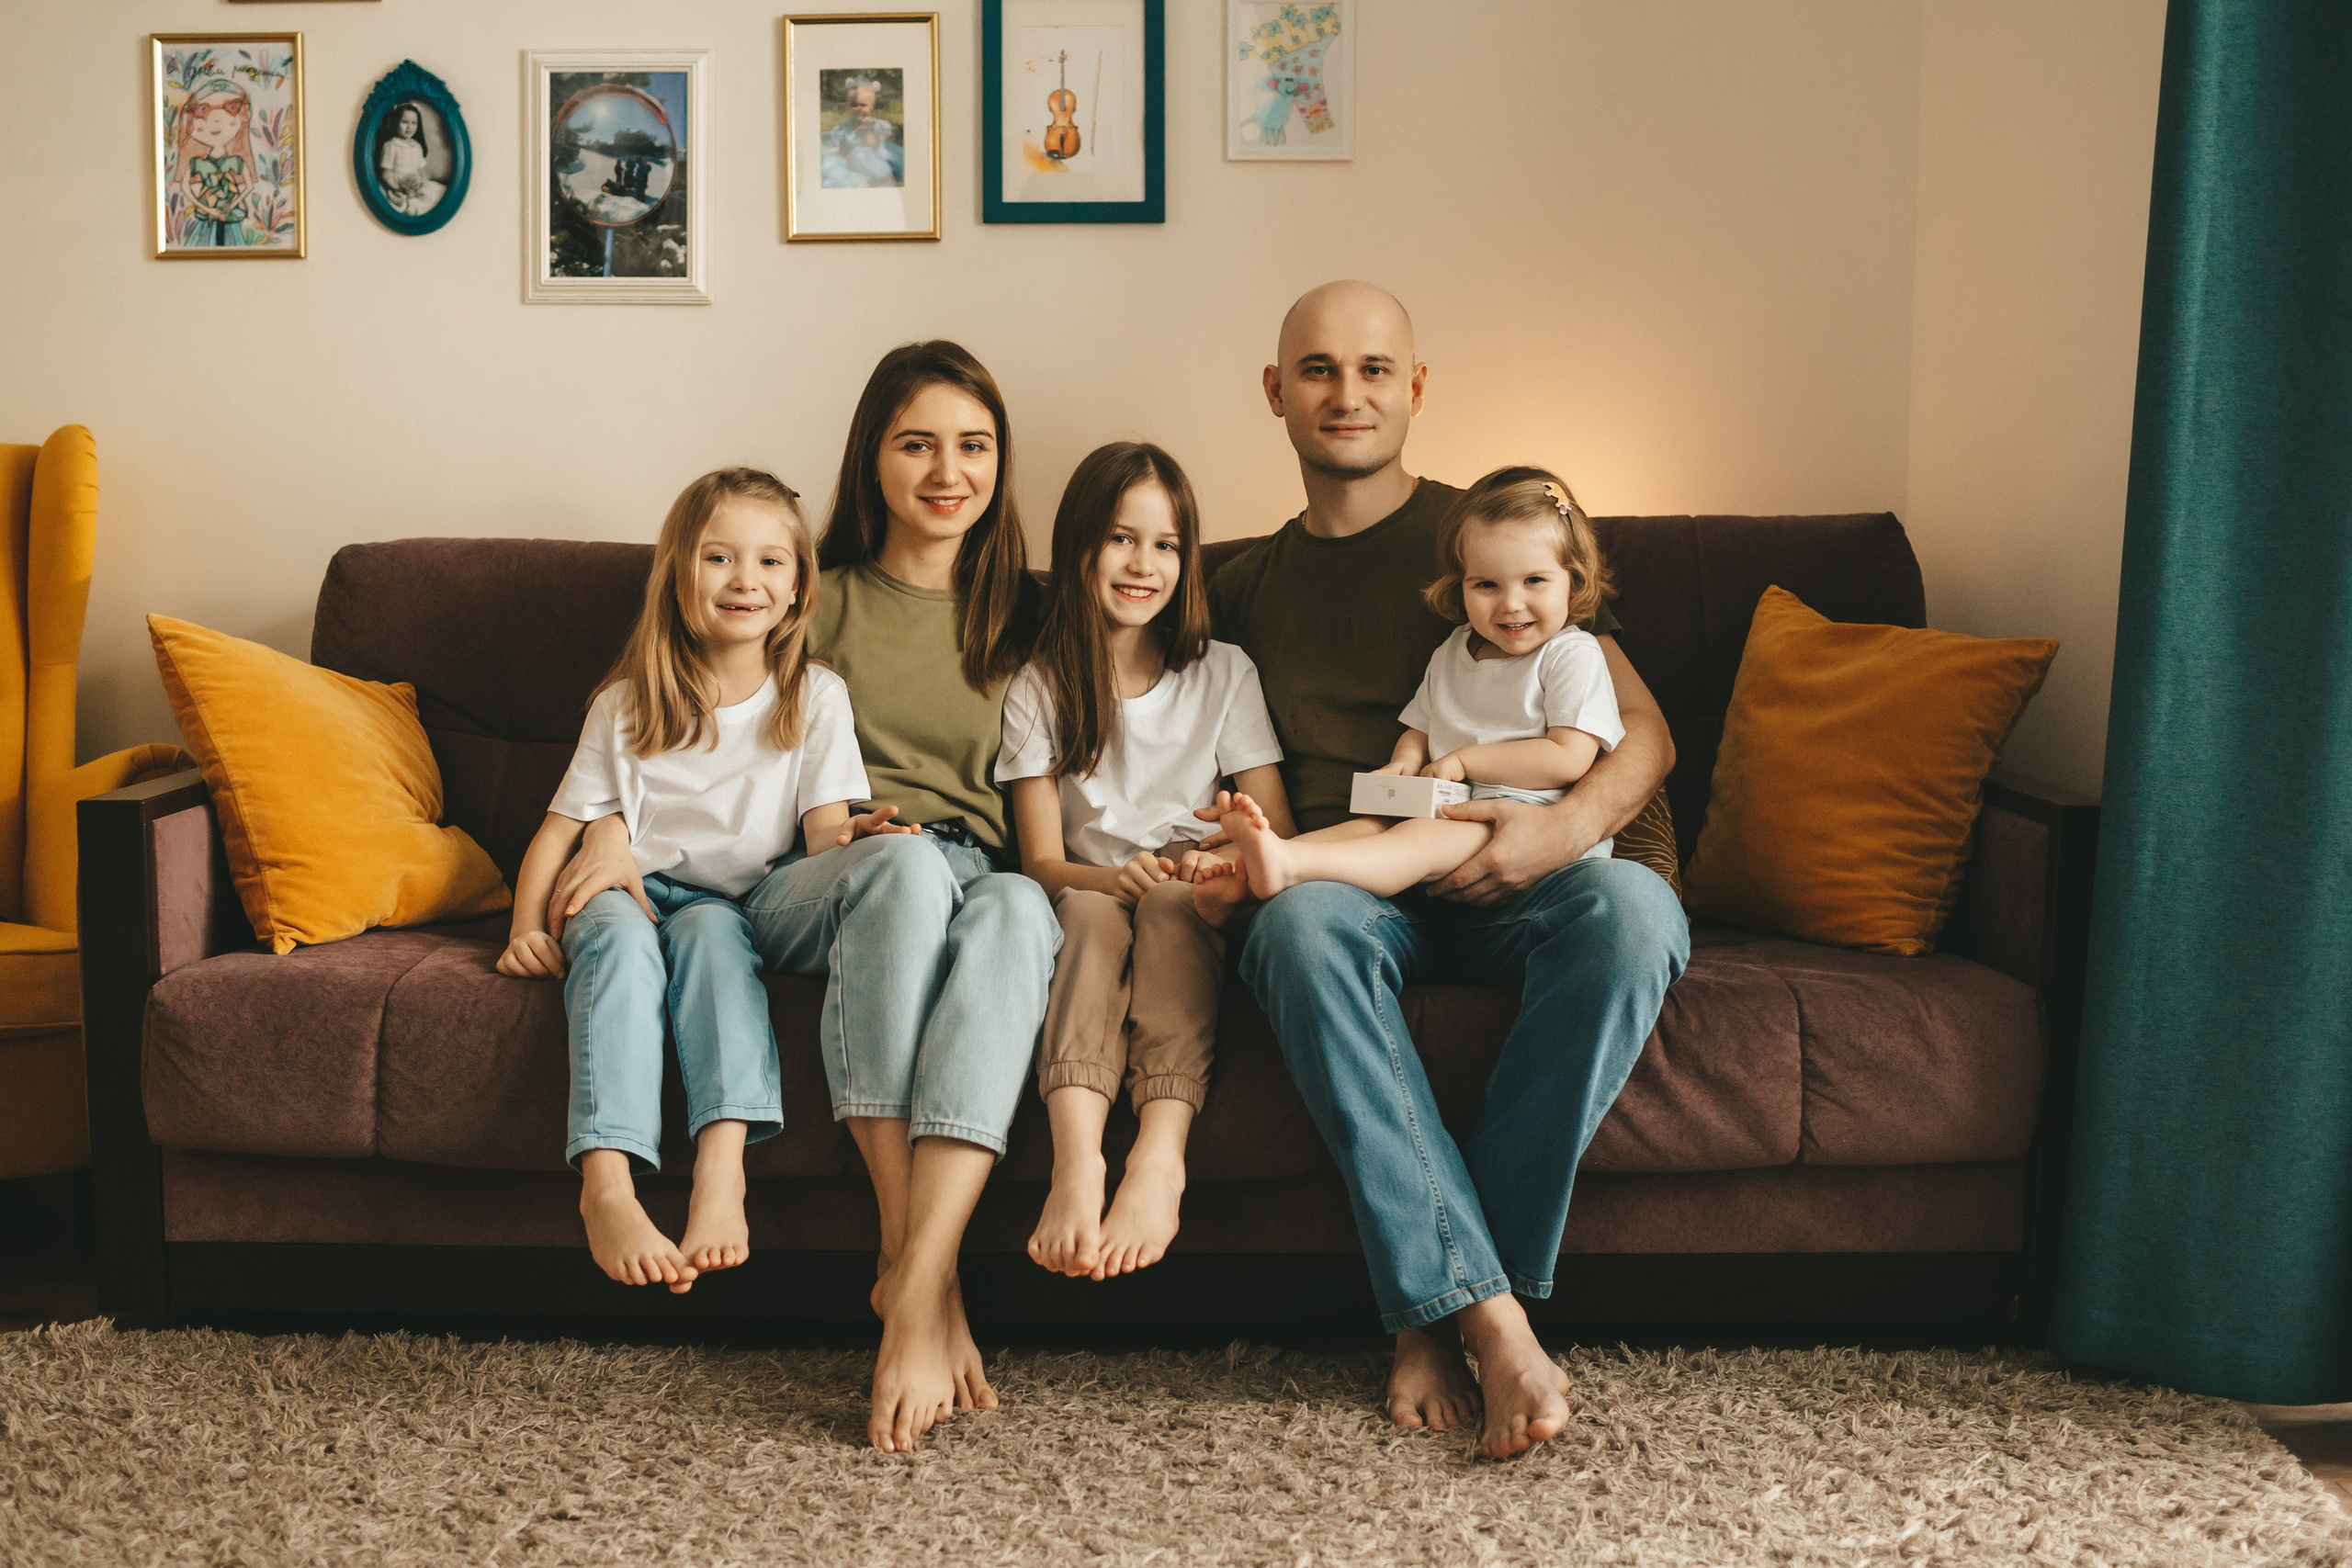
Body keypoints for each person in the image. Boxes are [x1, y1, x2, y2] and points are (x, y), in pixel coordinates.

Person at [1208, 281, 1690, 1461]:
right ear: (1275, 394)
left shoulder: (1491, 537)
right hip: (1367, 887)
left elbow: (1645, 739)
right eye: (1317, 369)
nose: (1347, 393)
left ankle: (1444, 1309)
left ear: (1415, 389)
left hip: (1531, 864)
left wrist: (1559, 834)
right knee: (1295, 931)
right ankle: (1484, 1314)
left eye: (1375, 368)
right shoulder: (1240, 586)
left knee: (1634, 914)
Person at [562, 341, 1057, 1453]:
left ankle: (917, 1284)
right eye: (916, 442)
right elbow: (655, 719)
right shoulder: (804, 588)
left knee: (1024, 909)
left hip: (978, 868)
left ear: (999, 464)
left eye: (973, 446)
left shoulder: (1027, 616)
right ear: (870, 455)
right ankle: (913, 1269)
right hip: (821, 880)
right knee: (899, 868)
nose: (947, 469)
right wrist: (604, 837)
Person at [498, 468, 876, 1296]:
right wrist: (526, 925)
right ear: (678, 574)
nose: (746, 580)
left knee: (712, 943)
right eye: (718, 558)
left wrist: (864, 838)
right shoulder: (627, 704)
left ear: (798, 589)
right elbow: (560, 831)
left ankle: (721, 1172)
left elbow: (824, 836)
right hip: (624, 889)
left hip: (727, 907)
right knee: (618, 943)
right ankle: (607, 1184)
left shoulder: (815, 698)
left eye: (772, 562)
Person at [999, 442, 1289, 1281]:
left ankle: (1160, 1155)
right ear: (1080, 547)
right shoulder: (1041, 685)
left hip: (1188, 889)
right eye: (1121, 539)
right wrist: (1108, 877)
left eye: (1166, 545)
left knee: (1169, 907)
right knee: (1090, 915)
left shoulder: (1223, 672)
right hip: (1088, 890)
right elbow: (1042, 863)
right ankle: (1077, 1158)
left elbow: (1276, 823)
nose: (1143, 564)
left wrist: (1217, 851)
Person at [1203, 467, 1622, 905]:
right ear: (1459, 586)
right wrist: (1405, 759)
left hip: (1527, 823)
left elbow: (1568, 757)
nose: (1511, 603)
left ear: (1574, 582)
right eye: (1486, 585)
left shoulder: (1571, 654)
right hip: (1452, 804)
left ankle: (1292, 869)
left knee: (1416, 839)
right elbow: (1421, 726)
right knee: (1372, 825)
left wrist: (1463, 761)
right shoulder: (1454, 651)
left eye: (1534, 580)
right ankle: (1265, 859)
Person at [174, 79, 257, 247]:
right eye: (203, 111)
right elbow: (185, 189)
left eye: (231, 109)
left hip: (231, 216)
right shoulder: (195, 163)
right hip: (207, 217)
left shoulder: (237, 161)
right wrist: (209, 210)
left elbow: (249, 186)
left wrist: (231, 205)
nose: (216, 120)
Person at [821, 76, 906, 188]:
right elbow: (842, 144)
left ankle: (886, 179)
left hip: (874, 159)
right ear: (848, 106)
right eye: (854, 105)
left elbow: (873, 146)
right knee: (828, 162)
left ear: (872, 106)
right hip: (852, 161)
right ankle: (860, 183)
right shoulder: (846, 126)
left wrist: (867, 131)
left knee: (860, 153)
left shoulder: (875, 125)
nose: (858, 109)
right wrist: (845, 155)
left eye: (863, 105)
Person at [377, 103, 447, 217]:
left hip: (415, 187)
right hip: (397, 187)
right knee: (408, 206)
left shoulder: (417, 146)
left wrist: (419, 184)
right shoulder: (391, 145)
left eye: (414, 123)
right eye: (405, 122)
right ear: (396, 123)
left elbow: (420, 171)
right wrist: (399, 187)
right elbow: (386, 174)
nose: (410, 127)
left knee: (437, 193)